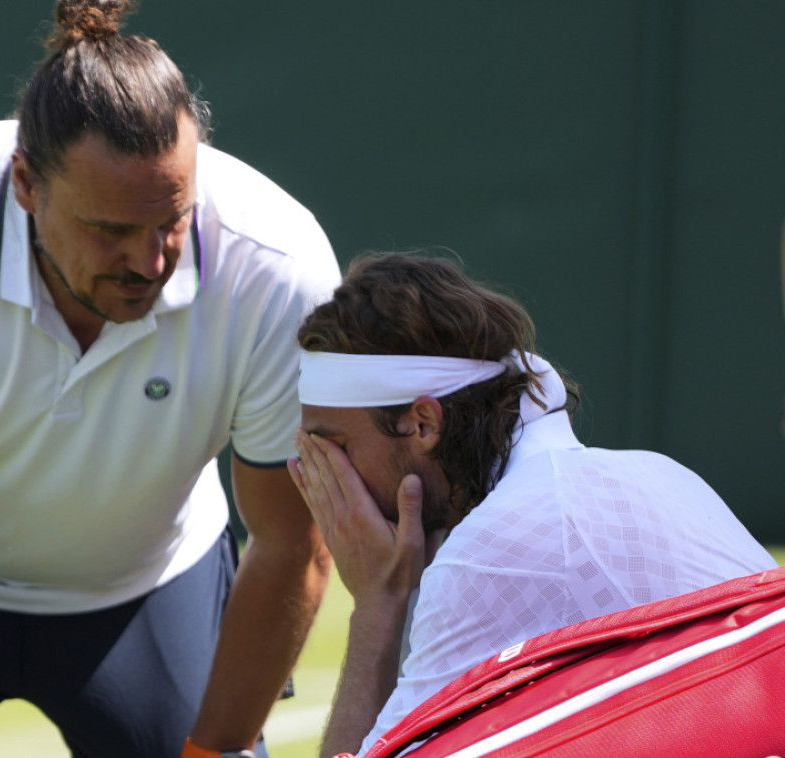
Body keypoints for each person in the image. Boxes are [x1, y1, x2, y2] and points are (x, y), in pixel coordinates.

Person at [0, 1, 341, 756]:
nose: (150, 261)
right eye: (111, 229)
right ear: (26, 184)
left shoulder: (280, 266)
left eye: (172, 219)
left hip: (153, 577)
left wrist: (213, 751)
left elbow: (294, 538)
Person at [286, 253, 776, 758]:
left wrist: (377, 600)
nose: (322, 473)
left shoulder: (493, 548)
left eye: (335, 446)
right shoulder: (661, 472)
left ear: (424, 423)